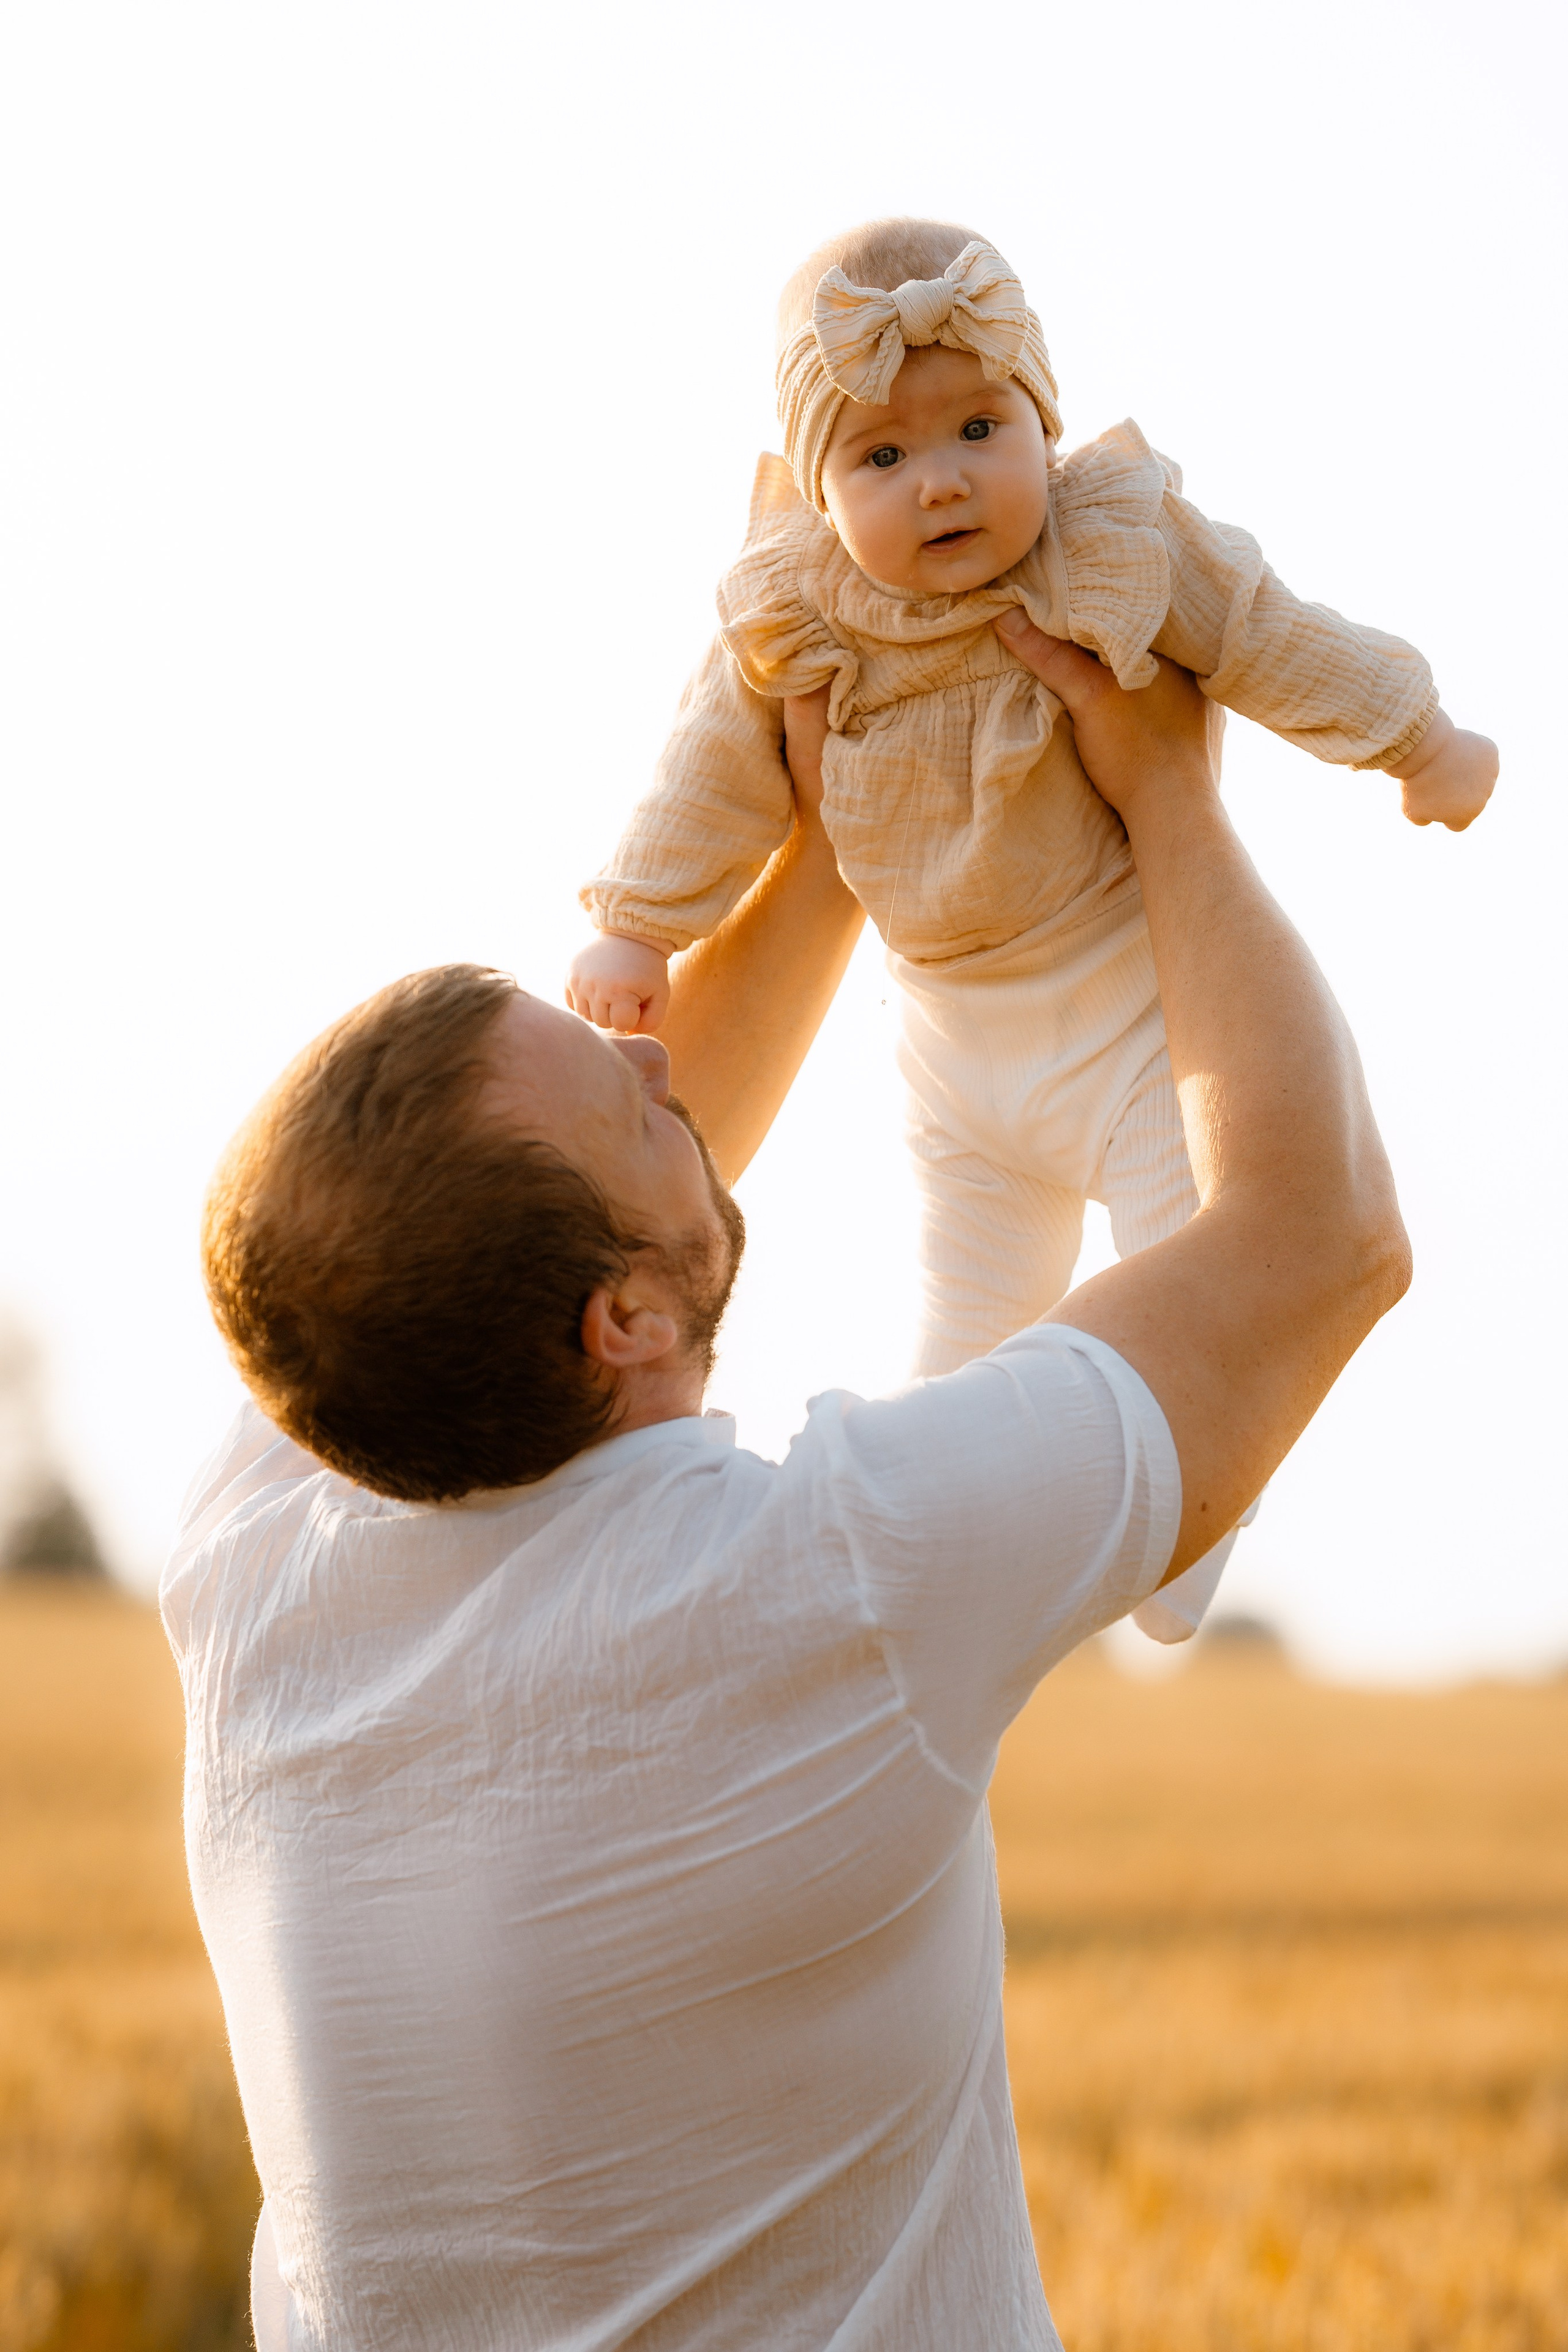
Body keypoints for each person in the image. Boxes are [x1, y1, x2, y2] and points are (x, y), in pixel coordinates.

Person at [164, 633, 1409, 2352]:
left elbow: (574, 1227)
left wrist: (832, 842)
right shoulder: (828, 1586)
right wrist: (1172, 794)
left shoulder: (258, 1544)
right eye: (630, 1101)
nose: (661, 1061)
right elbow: (1318, 1239)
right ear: (620, 1326)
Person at [567, 216, 1492, 1642]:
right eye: (880, 455)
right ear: (817, 487)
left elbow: (1270, 633)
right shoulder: (798, 608)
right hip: (953, 1050)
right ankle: (925, 1571)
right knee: (964, 1323)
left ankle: (1184, 1525)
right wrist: (638, 926)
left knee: (1198, 1264)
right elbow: (709, 774)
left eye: (978, 430)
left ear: (1042, 424)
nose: (939, 481)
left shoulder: (1110, 544)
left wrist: (1414, 736)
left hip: (1134, 1016)